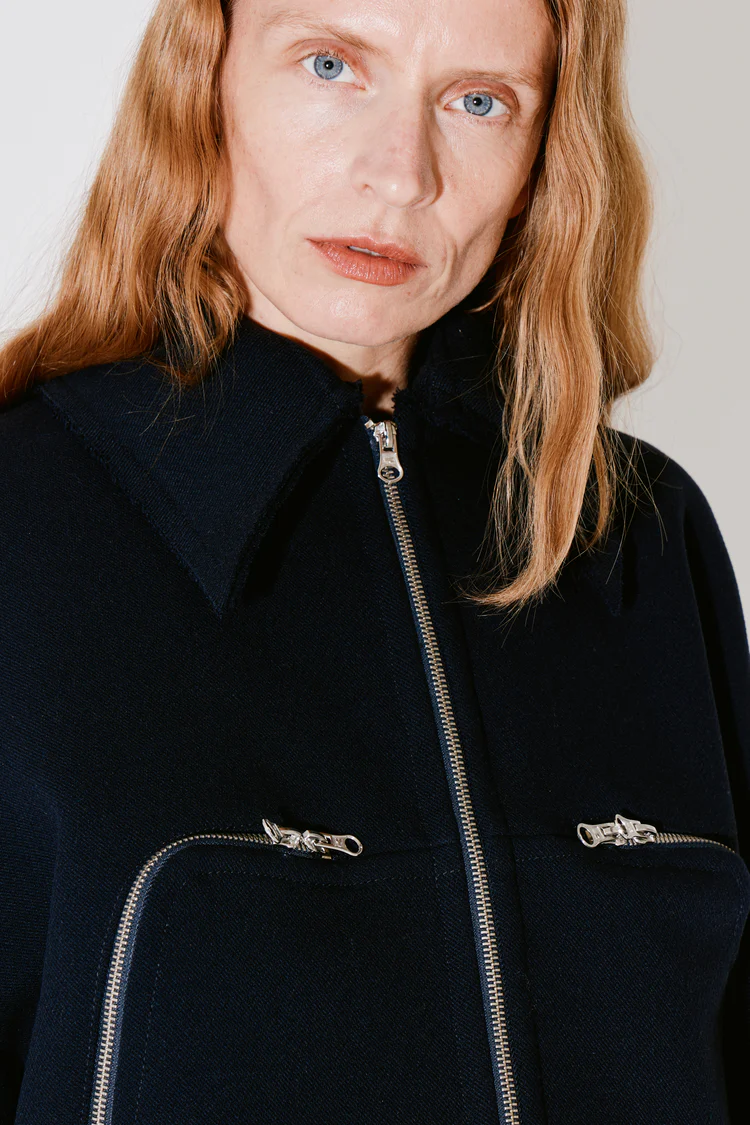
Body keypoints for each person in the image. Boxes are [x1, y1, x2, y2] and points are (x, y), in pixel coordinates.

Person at [0, 0, 747, 1121]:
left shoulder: (638, 533)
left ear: (544, 158)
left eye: (480, 101)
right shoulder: (22, 519)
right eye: (331, 65)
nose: (401, 174)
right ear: (201, 85)